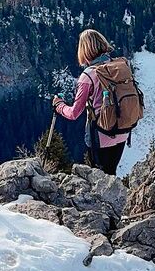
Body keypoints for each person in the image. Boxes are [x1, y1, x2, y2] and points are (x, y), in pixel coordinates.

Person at [51, 29, 144, 175]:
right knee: (111, 172)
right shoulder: (121, 65)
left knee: (98, 177)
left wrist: (59, 105)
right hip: (123, 130)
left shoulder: (88, 75)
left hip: (100, 135)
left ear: (84, 51)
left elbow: (74, 113)